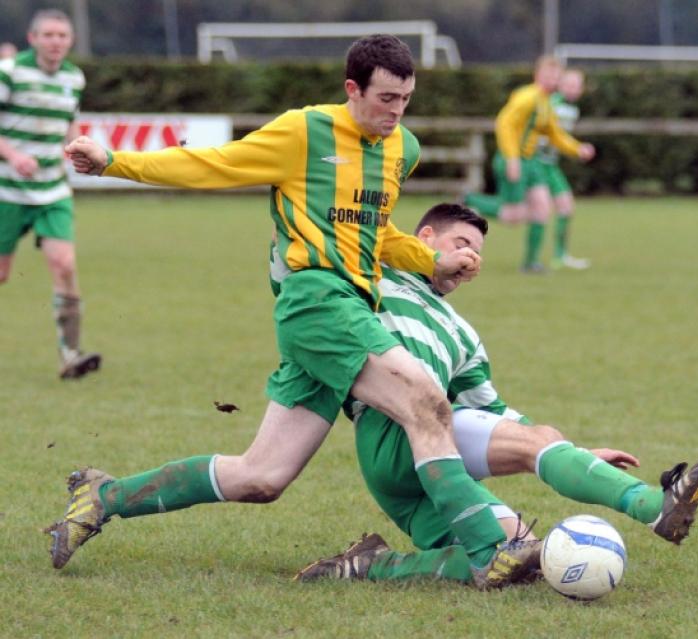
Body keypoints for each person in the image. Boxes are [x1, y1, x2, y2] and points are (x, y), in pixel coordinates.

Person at [45, 35, 539, 588]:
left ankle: (103, 495)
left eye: (405, 99)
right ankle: (490, 548)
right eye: (385, 99)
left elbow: (374, 234)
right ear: (352, 89)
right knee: (425, 401)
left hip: (352, 309)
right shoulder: (305, 131)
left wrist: (433, 260)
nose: (396, 112)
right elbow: (212, 163)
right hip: (317, 301)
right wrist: (114, 162)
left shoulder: (403, 148)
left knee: (261, 477)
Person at [294, 203, 698, 584]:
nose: (471, 259)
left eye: (477, 253)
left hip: (423, 474)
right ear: (424, 237)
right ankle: (654, 506)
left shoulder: (461, 333)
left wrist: (571, 454)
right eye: (462, 244)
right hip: (392, 432)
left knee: (523, 559)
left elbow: (492, 411)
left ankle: (372, 565)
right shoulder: (373, 277)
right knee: (537, 445)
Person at [0, 10, 101, 379]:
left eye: (62, 35)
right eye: (49, 35)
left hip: (52, 189)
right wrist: (13, 155)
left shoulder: (74, 77)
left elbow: (69, 123)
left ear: (70, 41)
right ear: (33, 38)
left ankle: (70, 356)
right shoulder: (10, 72)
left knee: (65, 265)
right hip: (6, 190)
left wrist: (77, 148)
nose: (56, 41)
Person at [464, 56, 594, 274]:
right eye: (548, 75)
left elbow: (554, 133)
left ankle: (531, 263)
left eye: (556, 76)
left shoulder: (545, 102)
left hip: (531, 163)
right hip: (514, 159)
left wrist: (577, 148)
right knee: (512, 216)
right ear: (537, 75)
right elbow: (504, 124)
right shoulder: (528, 97)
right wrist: (512, 158)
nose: (552, 80)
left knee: (542, 208)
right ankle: (469, 201)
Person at [533, 68, 591, 270]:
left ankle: (560, 256)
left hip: (550, 165)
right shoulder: (551, 103)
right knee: (517, 212)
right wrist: (577, 148)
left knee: (566, 207)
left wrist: (575, 149)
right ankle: (472, 201)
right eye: (569, 85)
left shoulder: (573, 110)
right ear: (560, 85)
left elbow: (559, 138)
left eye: (577, 86)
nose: (573, 89)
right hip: (535, 162)